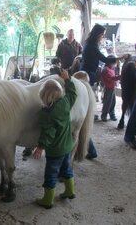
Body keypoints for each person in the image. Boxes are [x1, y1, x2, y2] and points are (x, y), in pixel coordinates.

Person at [80, 24, 127, 159]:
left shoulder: (89, 44)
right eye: (102, 34)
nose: (103, 36)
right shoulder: (92, 47)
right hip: (87, 74)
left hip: (87, 72)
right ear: (98, 34)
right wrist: (120, 57)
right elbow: (105, 59)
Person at [33, 69, 77, 209]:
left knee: (50, 175)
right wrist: (67, 79)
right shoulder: (65, 103)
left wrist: (40, 147)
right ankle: (70, 191)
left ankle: (47, 200)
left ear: (44, 97)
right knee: (66, 169)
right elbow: (72, 93)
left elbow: (48, 134)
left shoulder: (46, 114)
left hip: (55, 152)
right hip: (67, 147)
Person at [100, 56, 121, 121]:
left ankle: (112, 114)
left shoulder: (111, 69)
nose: (114, 65)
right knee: (107, 102)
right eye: (113, 63)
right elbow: (111, 78)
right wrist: (118, 77)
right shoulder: (106, 70)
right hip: (108, 88)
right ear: (109, 63)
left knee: (112, 102)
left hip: (112, 88)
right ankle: (104, 115)